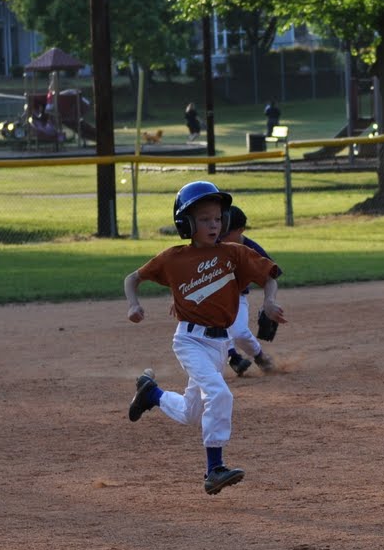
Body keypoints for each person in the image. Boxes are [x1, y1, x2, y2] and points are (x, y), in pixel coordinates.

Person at [123, 181, 287, 495]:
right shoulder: (173, 258)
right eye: (203, 219)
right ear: (185, 224)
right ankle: (214, 470)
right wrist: (134, 304)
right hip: (189, 341)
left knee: (189, 412)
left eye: (217, 219)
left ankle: (151, 394)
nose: (213, 225)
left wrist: (268, 301)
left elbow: (269, 276)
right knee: (221, 394)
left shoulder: (235, 254)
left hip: (218, 344)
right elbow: (133, 278)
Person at [220, 205, 276, 377]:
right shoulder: (212, 243)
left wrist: (269, 301)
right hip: (210, 299)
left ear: (241, 230)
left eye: (227, 233)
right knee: (212, 330)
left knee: (240, 333)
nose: (220, 237)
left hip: (237, 297)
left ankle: (259, 356)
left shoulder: (252, 250)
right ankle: (233, 357)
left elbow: (270, 278)